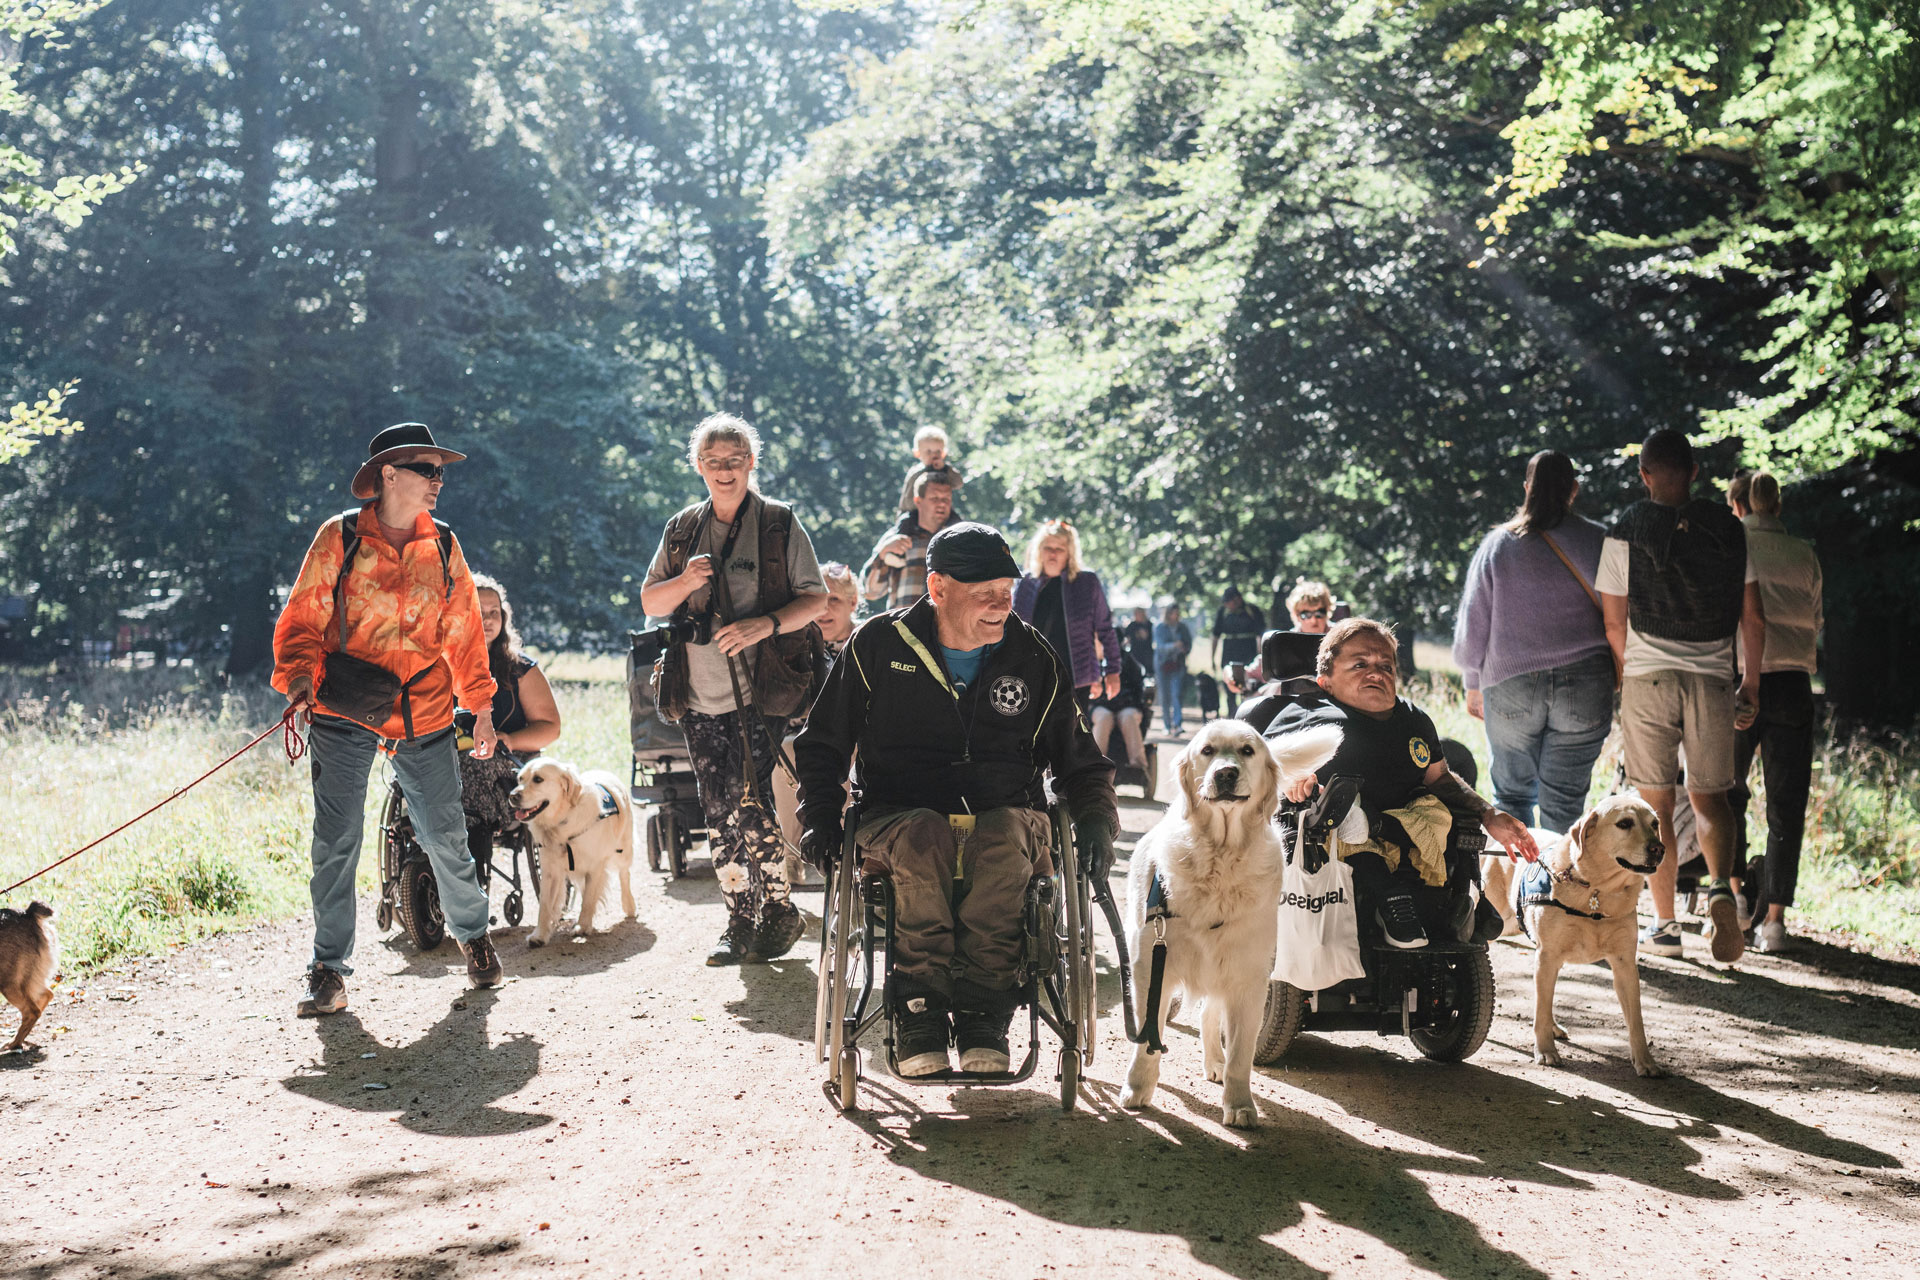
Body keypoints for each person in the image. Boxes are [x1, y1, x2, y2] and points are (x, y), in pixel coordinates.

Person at [795, 522, 1119, 1077]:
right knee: (924, 835)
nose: (1000, 605)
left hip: (1007, 817)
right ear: (938, 587)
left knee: (1002, 836)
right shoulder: (878, 644)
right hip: (897, 818)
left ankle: (982, 1011)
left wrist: (1095, 819)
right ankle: (919, 1010)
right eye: (984, 592)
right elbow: (823, 742)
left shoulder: (1031, 655)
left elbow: (1079, 759)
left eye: (1006, 590)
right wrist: (821, 816)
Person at [272, 422, 504, 1016]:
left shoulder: (446, 545)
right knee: (337, 840)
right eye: (427, 470)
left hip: (424, 709)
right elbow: (301, 621)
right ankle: (328, 971)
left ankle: (473, 938)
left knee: (445, 835)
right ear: (389, 475)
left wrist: (480, 706)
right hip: (343, 708)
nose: (438, 481)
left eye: (441, 471)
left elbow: (464, 634)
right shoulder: (340, 537)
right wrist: (299, 679)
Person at [639, 413, 829, 966]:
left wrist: (762, 625)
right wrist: (687, 582)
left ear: (751, 463)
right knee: (715, 804)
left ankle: (774, 908)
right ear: (699, 466)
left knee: (750, 799)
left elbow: (815, 601)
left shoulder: (777, 524)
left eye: (735, 460)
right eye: (714, 461)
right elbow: (652, 603)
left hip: (759, 688)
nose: (725, 470)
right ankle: (740, 916)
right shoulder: (681, 529)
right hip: (695, 689)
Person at [1598, 428, 1765, 963]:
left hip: (1649, 675)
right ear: (1695, 472)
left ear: (1644, 474)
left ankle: (1666, 926)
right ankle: (1721, 890)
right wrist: (1751, 681)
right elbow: (1753, 615)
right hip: (1713, 676)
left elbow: (1613, 619)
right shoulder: (1730, 528)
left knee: (1656, 805)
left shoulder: (1626, 527)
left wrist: (1628, 673)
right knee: (1711, 798)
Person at [1270, 618, 1539, 948]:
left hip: (1405, 829)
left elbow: (1439, 778)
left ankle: (1465, 896)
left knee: (1440, 815)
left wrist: (1490, 814)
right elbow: (1264, 769)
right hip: (1329, 832)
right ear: (1325, 680)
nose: (1376, 673)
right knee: (1333, 811)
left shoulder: (1414, 719)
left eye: (1386, 665)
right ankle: (1388, 893)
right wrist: (1291, 781)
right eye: (1360, 664)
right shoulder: (1303, 713)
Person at [1452, 450, 1613, 833]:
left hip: (1510, 685)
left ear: (1527, 488)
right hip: (1587, 683)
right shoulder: (1600, 540)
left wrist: (1472, 683)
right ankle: (1556, 888)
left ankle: (1518, 890)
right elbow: (1619, 617)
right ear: (1573, 489)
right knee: (1566, 803)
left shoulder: (1498, 545)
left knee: (1511, 798)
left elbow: (1473, 625)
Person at [1727, 471, 1823, 953]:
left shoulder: (1731, 545)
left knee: (1729, 794)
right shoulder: (1804, 552)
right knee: (1787, 805)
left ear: (1739, 505)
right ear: (1778, 506)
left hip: (1741, 680)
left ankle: (1737, 902)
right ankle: (1776, 924)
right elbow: (1816, 620)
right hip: (1791, 685)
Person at [460, 574, 562, 857]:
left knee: (475, 770)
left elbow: (550, 728)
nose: (489, 620)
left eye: (495, 613)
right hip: (448, 755)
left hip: (507, 761)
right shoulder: (439, 662)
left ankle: (472, 865)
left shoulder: (521, 669)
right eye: (480, 613)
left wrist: (510, 739)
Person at [775, 561, 861, 853]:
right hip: (804, 735)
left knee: (853, 752)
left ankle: (850, 842)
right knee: (786, 750)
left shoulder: (868, 643)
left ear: (853, 602)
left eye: (834, 599)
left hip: (857, 736)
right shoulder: (794, 645)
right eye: (819, 601)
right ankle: (793, 851)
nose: (825, 609)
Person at [1011, 519, 1122, 709]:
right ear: (1040, 550)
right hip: (1033, 677)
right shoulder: (1025, 584)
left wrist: (1112, 671)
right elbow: (1011, 633)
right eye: (1048, 547)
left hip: (1076, 677)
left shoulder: (1087, 583)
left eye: (1060, 548)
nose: (1053, 553)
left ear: (1069, 553)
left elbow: (1105, 628)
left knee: (1073, 737)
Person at [863, 471, 958, 609]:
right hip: (903, 627)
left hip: (947, 627)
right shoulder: (896, 537)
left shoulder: (959, 541)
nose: (942, 504)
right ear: (918, 501)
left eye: (946, 499)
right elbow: (870, 592)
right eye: (935, 498)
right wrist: (883, 554)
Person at [1089, 650, 1150, 772]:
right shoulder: (1092, 661)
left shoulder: (1129, 661)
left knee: (1128, 717)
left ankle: (1138, 765)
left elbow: (1139, 685)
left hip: (1127, 705)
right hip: (1100, 706)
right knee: (1104, 718)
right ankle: (1095, 764)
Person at [897, 425, 965, 513]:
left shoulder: (945, 470)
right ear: (917, 453)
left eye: (938, 451)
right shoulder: (916, 473)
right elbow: (906, 501)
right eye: (928, 451)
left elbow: (959, 483)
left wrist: (945, 468)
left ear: (944, 453)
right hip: (915, 514)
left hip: (941, 511)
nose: (934, 455)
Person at [1212, 587, 1266, 693]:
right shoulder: (1223, 613)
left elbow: (1261, 634)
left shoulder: (1252, 610)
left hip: (1248, 653)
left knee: (1249, 685)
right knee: (1229, 683)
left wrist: (1261, 655)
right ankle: (1231, 709)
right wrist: (1212, 658)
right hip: (1229, 653)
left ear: (1238, 599)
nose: (1227, 605)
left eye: (1229, 601)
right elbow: (1215, 636)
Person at [1153, 605, 1192, 733]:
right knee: (1165, 695)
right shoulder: (1160, 627)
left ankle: (1177, 723)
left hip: (1178, 664)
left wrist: (1184, 649)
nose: (1176, 616)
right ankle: (1167, 725)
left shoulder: (1183, 627)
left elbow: (1188, 644)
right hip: (1163, 664)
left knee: (1177, 693)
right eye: (1173, 613)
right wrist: (1175, 645)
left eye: (1177, 613)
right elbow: (1160, 647)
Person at [1122, 606, 1156, 676]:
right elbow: (1126, 638)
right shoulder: (1132, 625)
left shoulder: (1149, 625)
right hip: (1135, 654)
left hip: (1147, 654)